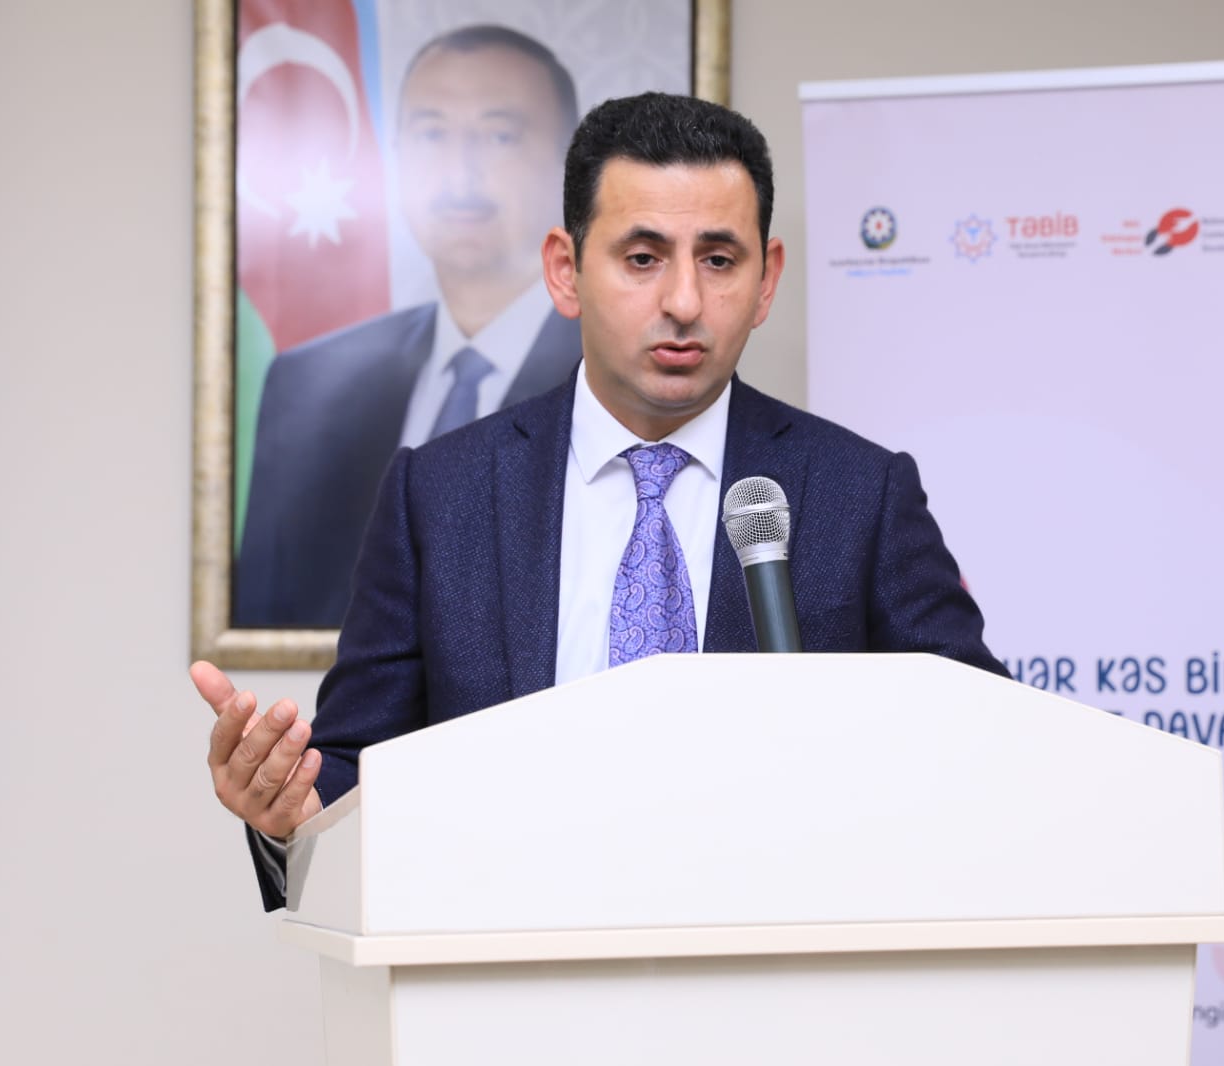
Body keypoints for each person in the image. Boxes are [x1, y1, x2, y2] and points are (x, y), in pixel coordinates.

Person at [195, 91, 1010, 910]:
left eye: (719, 260)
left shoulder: (861, 494)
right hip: (509, 963)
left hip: (776, 963)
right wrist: (290, 813)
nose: (684, 302)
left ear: (767, 281)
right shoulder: (438, 497)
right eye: (644, 258)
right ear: (566, 270)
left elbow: (983, 750)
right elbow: (355, 772)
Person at [235, 25, 584, 627]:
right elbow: (269, 623)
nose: (460, 173)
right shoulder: (307, 383)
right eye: (432, 134)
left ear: (569, 166)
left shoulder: (620, 379)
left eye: (500, 135)